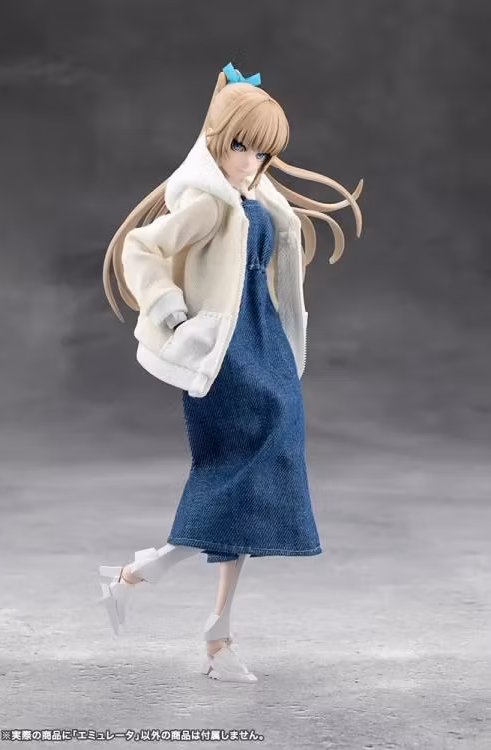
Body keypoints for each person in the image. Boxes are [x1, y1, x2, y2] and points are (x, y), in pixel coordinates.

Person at [99, 61, 363, 683]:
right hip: (225, 354)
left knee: (254, 475)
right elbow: (142, 247)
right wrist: (171, 312)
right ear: (216, 140)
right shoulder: (208, 203)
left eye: (261, 151)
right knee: (234, 476)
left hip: (264, 343)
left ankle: (206, 627)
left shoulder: (258, 200)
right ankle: (147, 581)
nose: (250, 161)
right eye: (240, 146)